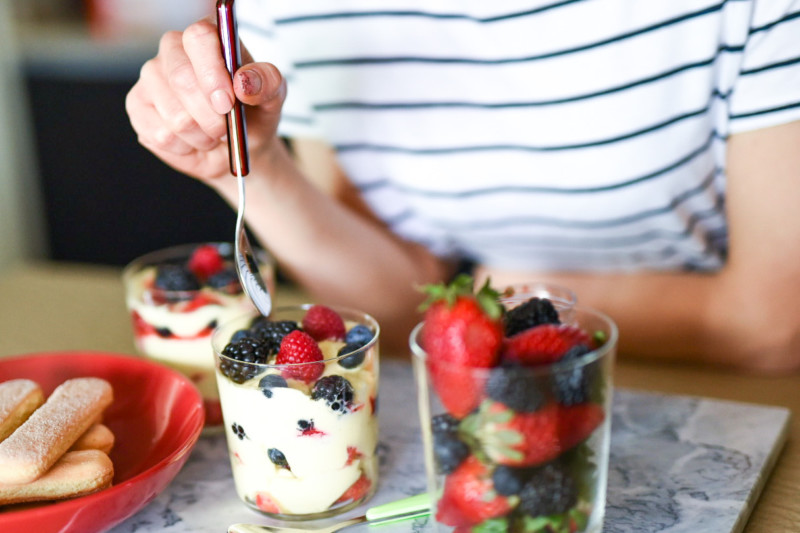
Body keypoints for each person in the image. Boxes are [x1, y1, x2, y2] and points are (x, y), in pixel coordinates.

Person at [125, 0, 800, 372]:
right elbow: (392, 310)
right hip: (467, 407)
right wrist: (254, 167)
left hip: (734, 398)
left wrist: (494, 294)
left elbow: (775, 325)